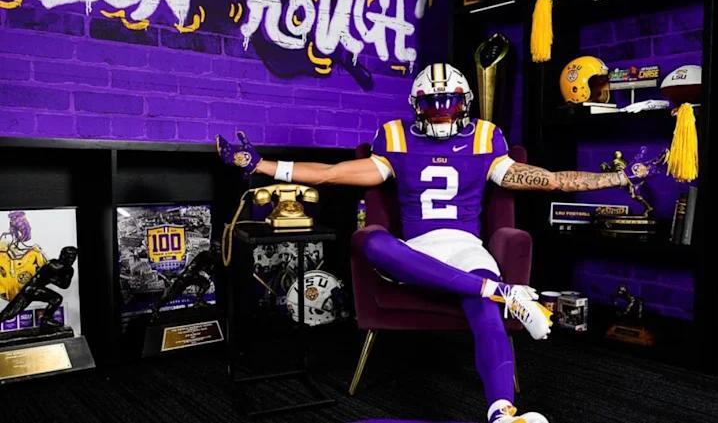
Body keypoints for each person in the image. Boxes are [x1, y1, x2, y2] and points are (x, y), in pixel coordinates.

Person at [217, 63, 628, 423]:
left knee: (484, 311)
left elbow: (551, 180)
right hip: (416, 250)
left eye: (450, 102)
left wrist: (620, 177)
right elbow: (332, 173)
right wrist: (261, 165)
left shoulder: (486, 139)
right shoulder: (395, 138)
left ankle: (502, 412)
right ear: (417, 105)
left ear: (464, 103)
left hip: (466, 247)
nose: (443, 111)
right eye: (433, 104)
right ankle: (503, 291)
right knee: (370, 243)